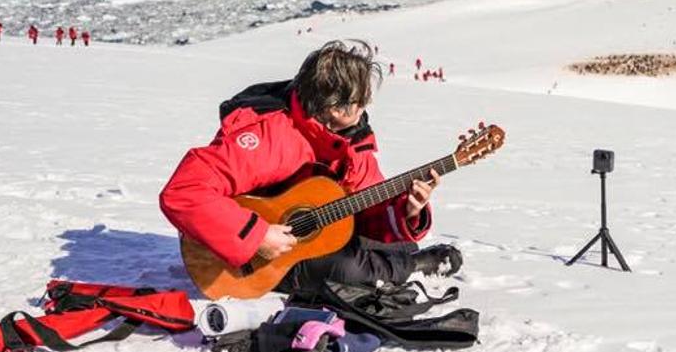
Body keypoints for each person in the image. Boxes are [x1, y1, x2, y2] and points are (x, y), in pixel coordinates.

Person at [159, 40, 461, 292]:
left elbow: (366, 209)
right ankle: (416, 264)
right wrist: (256, 236)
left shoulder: (353, 139)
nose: (363, 109)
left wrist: (407, 211)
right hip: (242, 263)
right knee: (347, 270)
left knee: (364, 248)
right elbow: (184, 191)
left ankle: (405, 258)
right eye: (357, 102)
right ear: (330, 105)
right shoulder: (269, 135)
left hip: (303, 245)